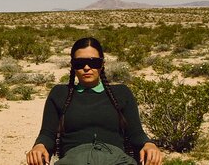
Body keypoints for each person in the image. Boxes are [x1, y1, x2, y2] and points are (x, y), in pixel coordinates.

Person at [26, 37, 163, 165]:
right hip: (74, 160)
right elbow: (47, 134)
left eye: (93, 62)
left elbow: (136, 133)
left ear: (102, 64)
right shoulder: (60, 94)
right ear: (73, 66)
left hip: (115, 160)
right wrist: (39, 146)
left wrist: (148, 144)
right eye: (80, 63)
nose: (86, 67)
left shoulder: (121, 93)